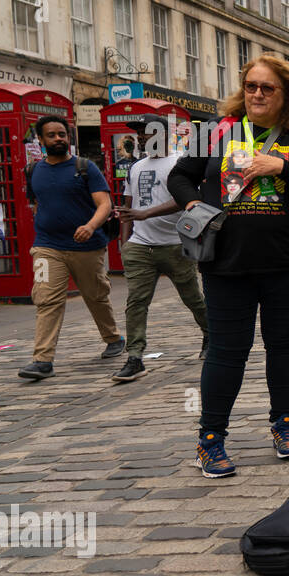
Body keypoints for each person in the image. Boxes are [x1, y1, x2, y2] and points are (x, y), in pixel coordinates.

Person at [168, 54, 289, 478]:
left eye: (267, 88)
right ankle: (211, 439)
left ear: (286, 94)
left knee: (284, 343)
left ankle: (284, 423)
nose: (257, 94)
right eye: (251, 86)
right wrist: (192, 203)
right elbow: (179, 176)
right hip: (226, 261)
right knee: (228, 350)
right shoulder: (215, 132)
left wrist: (280, 166)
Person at [18, 116, 125, 380]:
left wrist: (90, 226)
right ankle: (42, 361)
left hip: (87, 247)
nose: (58, 139)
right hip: (47, 246)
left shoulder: (84, 167)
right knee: (46, 299)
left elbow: (104, 204)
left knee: (95, 295)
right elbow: (36, 203)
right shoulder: (33, 171)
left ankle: (112, 338)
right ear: (41, 140)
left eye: (62, 134)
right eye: (52, 135)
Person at [113, 122, 210, 382]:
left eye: (150, 132)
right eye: (140, 133)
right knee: (136, 302)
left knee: (192, 298)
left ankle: (210, 334)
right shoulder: (136, 167)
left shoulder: (181, 163)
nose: (144, 137)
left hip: (175, 244)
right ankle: (135, 357)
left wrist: (145, 213)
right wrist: (125, 245)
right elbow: (128, 207)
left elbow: (184, 199)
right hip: (140, 245)